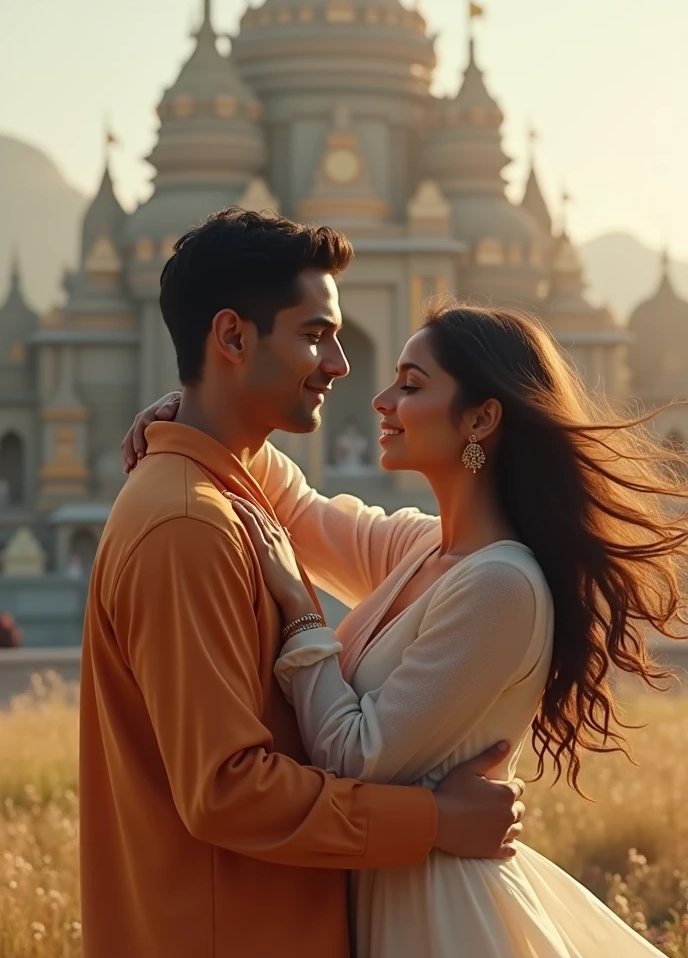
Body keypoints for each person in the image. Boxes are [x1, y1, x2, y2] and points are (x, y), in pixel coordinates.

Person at [126, 295, 688, 956]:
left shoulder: (500, 586)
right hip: (383, 894)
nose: (381, 398)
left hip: (440, 916)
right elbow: (297, 509)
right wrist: (198, 415)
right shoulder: (424, 552)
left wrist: (300, 614)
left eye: (412, 385)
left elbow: (353, 756)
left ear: (481, 419)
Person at [82, 209, 525, 958]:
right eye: (316, 334)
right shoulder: (189, 526)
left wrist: (198, 425)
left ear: (483, 420)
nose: (348, 370)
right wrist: (437, 821)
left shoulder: (455, 563)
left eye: (411, 384)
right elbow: (227, 788)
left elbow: (312, 518)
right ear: (231, 337)